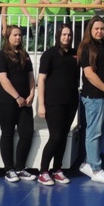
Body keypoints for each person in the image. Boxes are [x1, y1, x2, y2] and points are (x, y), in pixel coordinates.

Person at [78, 16, 104, 184]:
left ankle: (88, 162)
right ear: (90, 29)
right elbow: (89, 74)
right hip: (95, 97)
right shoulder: (86, 48)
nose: (100, 31)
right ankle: (96, 169)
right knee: (94, 132)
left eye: (102, 28)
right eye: (96, 28)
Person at [37, 23, 80, 186]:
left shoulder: (76, 54)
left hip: (71, 101)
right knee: (55, 136)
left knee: (63, 136)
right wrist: (41, 104)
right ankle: (43, 171)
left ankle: (57, 169)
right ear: (58, 36)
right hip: (54, 102)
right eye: (64, 34)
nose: (67, 37)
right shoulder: (49, 54)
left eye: (69, 35)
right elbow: (41, 79)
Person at [0, 25, 36, 183]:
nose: (18, 37)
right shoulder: (1, 56)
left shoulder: (25, 55)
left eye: (20, 35)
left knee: (27, 133)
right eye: (15, 35)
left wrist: (32, 94)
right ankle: (9, 169)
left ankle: (20, 167)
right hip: (6, 101)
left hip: (25, 101)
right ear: (8, 37)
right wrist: (17, 96)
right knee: (8, 133)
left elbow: (31, 76)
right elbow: (3, 79)